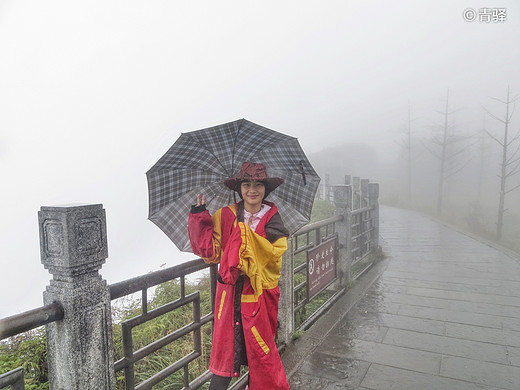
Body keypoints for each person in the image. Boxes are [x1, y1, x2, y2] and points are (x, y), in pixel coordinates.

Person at [188, 161, 291, 390]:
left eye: (258, 184)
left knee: (261, 351)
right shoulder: (225, 215)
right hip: (230, 293)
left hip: (259, 295)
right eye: (246, 184)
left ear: (266, 189)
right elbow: (211, 252)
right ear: (239, 188)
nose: (252, 190)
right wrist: (199, 216)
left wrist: (245, 239)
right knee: (226, 351)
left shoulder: (273, 219)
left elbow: (274, 256)